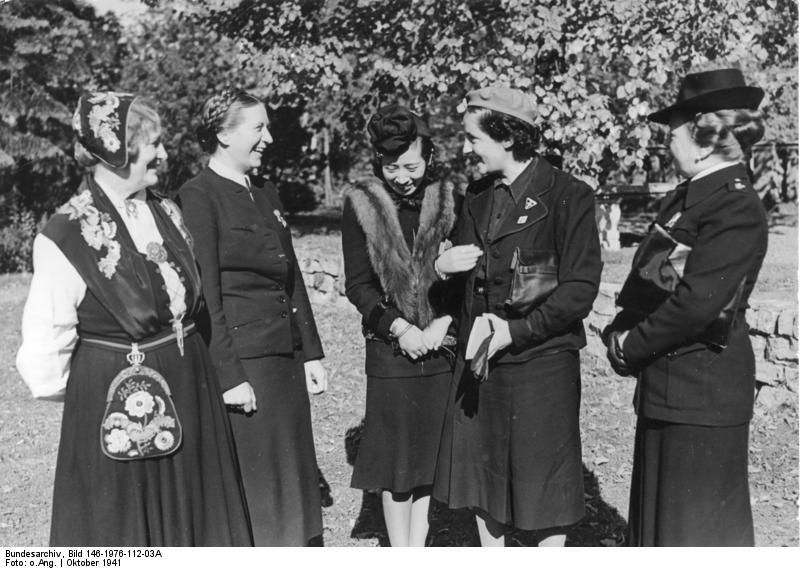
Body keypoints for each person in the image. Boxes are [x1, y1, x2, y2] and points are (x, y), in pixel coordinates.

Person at [16, 92, 252, 546]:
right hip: (120, 399)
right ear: (115, 149)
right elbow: (46, 349)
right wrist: (98, 388)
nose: (165, 154)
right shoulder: (65, 234)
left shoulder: (164, 210)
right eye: (154, 144)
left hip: (190, 384)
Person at [603, 68, 768, 546]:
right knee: (660, 529)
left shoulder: (734, 206)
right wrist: (621, 327)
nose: (666, 143)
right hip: (670, 386)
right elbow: (652, 282)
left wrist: (630, 345)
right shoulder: (690, 197)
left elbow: (698, 304)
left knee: (695, 535)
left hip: (702, 392)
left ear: (700, 137)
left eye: (671, 132)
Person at [432, 86, 602, 547]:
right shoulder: (478, 194)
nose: (466, 149)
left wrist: (516, 331)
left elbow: (579, 290)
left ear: (507, 137)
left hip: (541, 362)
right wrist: (440, 267)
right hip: (483, 363)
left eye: (473, 138)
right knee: (485, 484)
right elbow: (463, 273)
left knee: (543, 486)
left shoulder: (569, 195)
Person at [177, 89, 327, 546]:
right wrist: (229, 377)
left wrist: (312, 354)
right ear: (223, 134)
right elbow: (208, 298)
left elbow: (292, 275)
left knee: (292, 475)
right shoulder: (197, 196)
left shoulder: (265, 191)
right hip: (247, 364)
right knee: (260, 486)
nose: (269, 137)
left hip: (284, 356)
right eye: (258, 128)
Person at [341, 104, 459, 546]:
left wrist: (439, 327)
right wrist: (399, 329)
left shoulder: (449, 199)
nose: (402, 176)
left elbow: (466, 279)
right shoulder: (362, 202)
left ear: (428, 156)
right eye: (391, 166)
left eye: (411, 165)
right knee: (396, 463)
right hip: (390, 348)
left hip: (439, 346)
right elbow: (358, 286)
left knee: (425, 458)